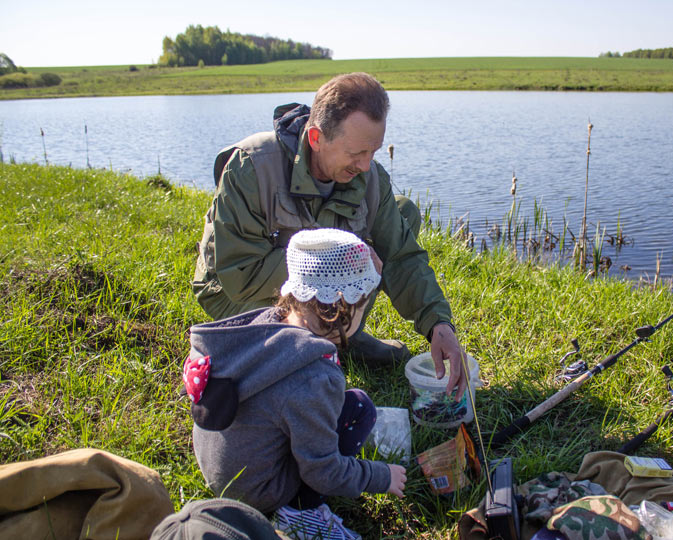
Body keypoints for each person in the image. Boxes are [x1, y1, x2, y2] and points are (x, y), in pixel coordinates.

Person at [192, 71, 467, 398]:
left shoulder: (369, 176)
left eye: (373, 151)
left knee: (401, 212)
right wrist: (344, 258)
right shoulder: (252, 167)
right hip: (236, 293)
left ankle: (344, 336)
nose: (365, 165)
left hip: (300, 290)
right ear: (316, 139)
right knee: (346, 267)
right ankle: (317, 346)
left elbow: (401, 256)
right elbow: (240, 274)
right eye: (356, 153)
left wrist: (438, 324)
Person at [187, 229, 407, 540]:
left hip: (221, 471)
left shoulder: (267, 324)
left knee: (341, 405)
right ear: (344, 310)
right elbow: (323, 471)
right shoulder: (315, 377)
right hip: (259, 492)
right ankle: (301, 512)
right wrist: (381, 476)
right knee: (360, 407)